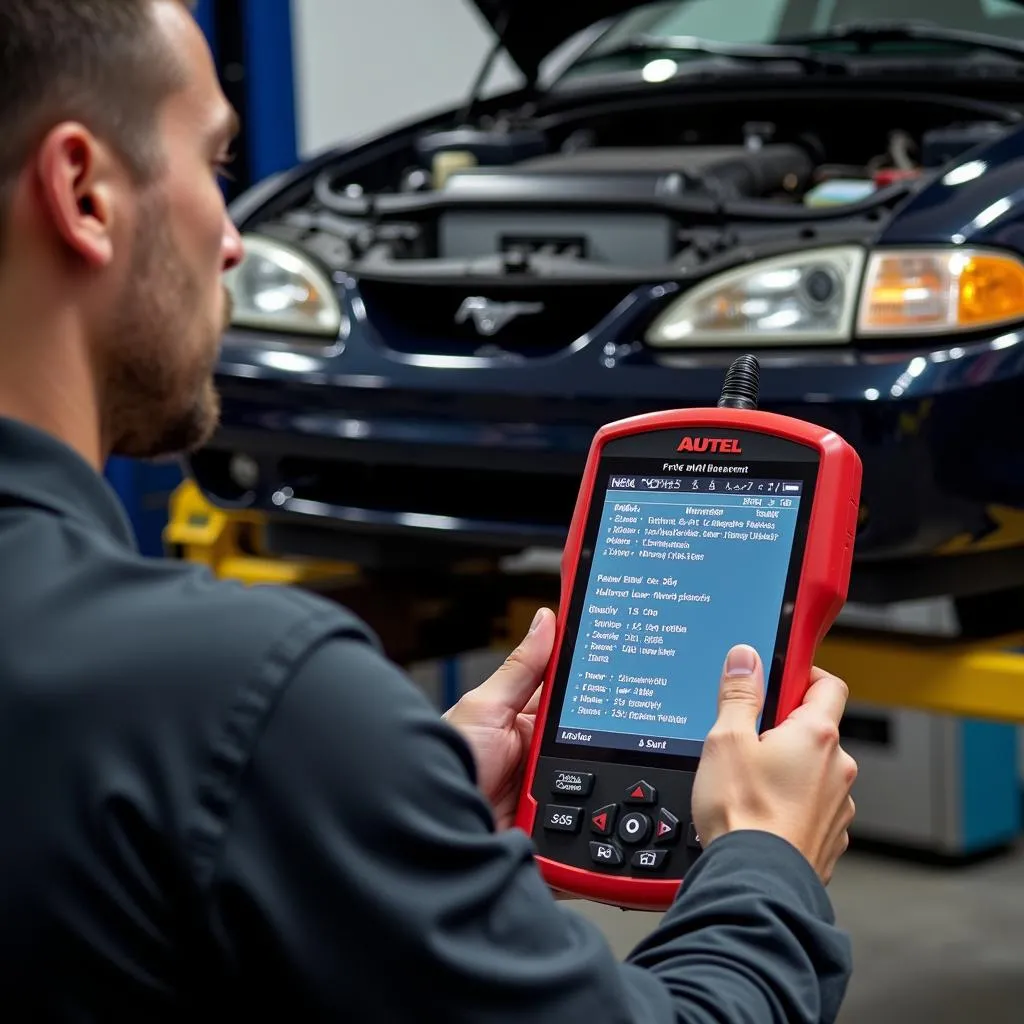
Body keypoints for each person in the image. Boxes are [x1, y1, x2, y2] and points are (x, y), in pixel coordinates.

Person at [0, 2, 859, 1020]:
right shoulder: (244, 694)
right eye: (216, 163)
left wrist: (374, 803)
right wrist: (765, 865)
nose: (233, 240)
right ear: (84, 192)